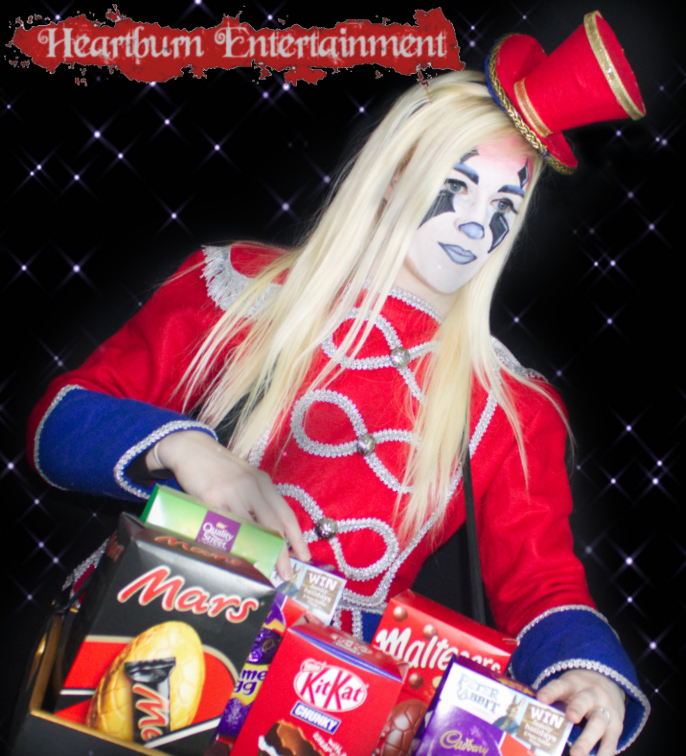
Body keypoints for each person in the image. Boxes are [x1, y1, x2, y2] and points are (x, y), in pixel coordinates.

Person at [27, 13, 650, 756]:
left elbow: (542, 583)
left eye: (502, 208)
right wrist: (190, 450)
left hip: (329, 715)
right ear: (393, 177)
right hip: (159, 650)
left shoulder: (511, 405)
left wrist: (587, 673)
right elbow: (59, 426)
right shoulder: (241, 291)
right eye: (456, 187)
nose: (475, 227)